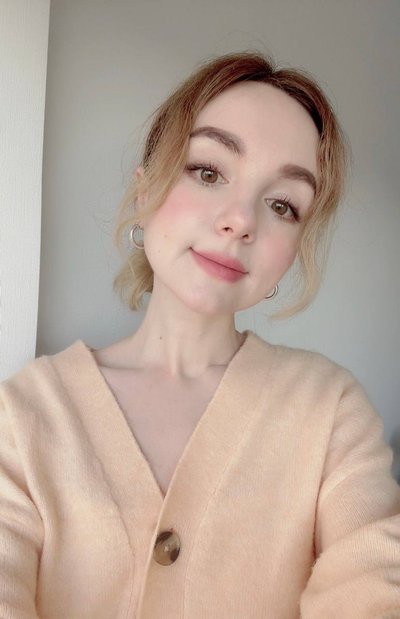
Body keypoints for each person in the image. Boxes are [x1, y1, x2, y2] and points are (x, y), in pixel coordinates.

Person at [0, 52, 399, 618]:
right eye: (209, 172)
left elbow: (375, 584)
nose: (242, 220)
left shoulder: (331, 411)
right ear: (146, 191)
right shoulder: (26, 414)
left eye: (283, 204)